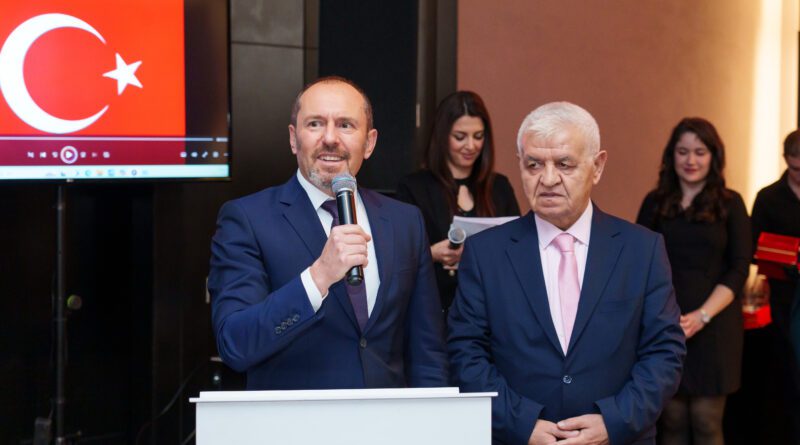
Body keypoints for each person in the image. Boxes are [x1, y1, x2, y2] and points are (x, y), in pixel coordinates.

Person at [448, 101, 686, 445]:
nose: (547, 179)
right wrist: (521, 424)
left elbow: (664, 353)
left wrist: (613, 422)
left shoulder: (642, 250)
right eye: (533, 164)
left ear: (597, 166)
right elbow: (466, 352)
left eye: (564, 164)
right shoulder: (486, 253)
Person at [208, 76, 449, 389]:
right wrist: (319, 276)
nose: (331, 138)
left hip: (388, 416)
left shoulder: (405, 221)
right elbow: (235, 344)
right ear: (293, 139)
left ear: (370, 142)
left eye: (346, 125)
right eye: (315, 124)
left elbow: (427, 351)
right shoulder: (248, 219)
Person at [636, 118, 751, 444]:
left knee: (706, 420)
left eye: (700, 152)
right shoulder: (655, 201)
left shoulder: (731, 203)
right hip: (666, 321)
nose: (691, 160)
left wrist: (702, 316)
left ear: (713, 156)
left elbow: (739, 268)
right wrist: (663, 317)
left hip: (715, 323)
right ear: (671, 155)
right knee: (670, 420)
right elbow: (639, 263)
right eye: (683, 151)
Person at [396, 91, 520, 313]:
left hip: (491, 306)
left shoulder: (499, 186)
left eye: (478, 136)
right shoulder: (414, 187)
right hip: (435, 306)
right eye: (460, 137)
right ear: (442, 137)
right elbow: (396, 256)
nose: (471, 146)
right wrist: (432, 253)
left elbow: (517, 244)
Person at [750, 129, 800, 442]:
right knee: (788, 375)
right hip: (783, 296)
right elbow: (752, 247)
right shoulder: (768, 197)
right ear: (785, 160)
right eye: (796, 169)